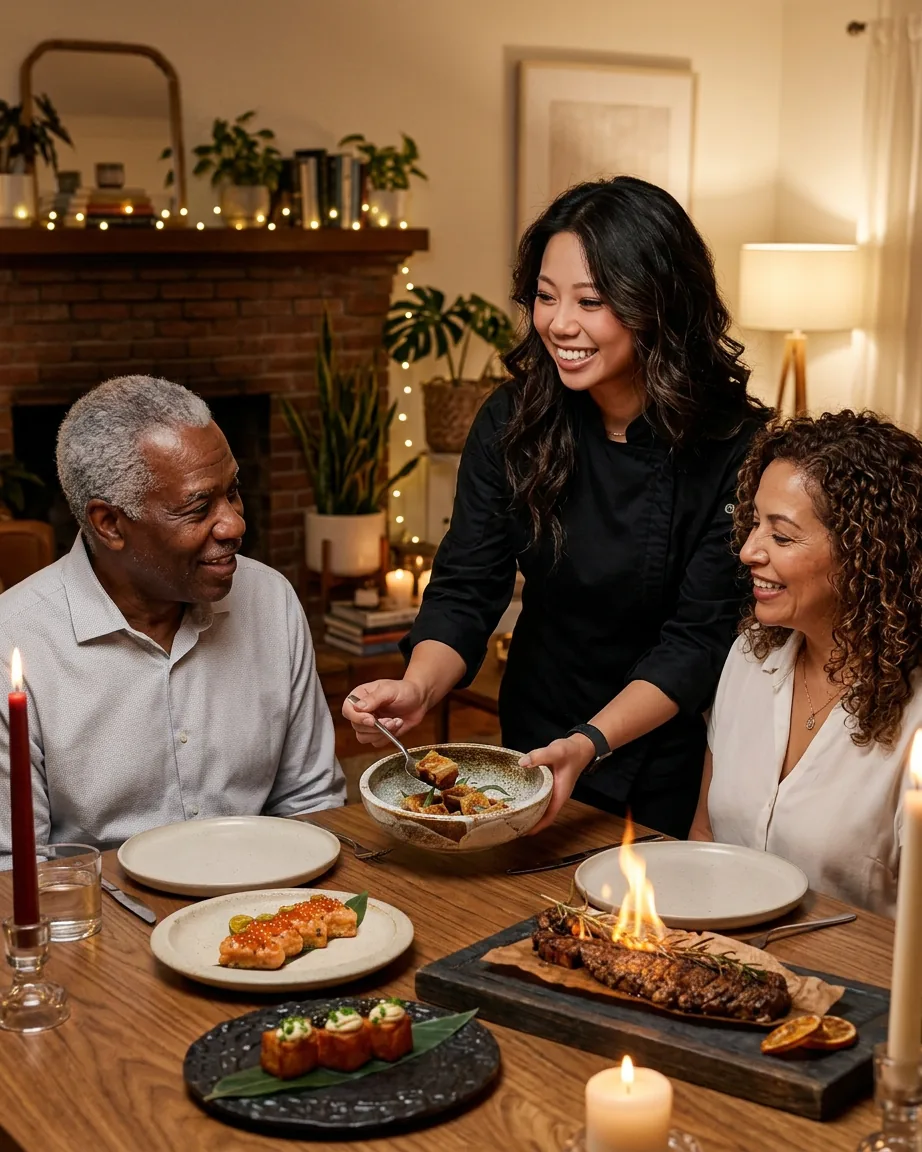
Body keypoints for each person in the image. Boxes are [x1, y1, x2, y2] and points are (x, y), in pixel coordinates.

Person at [345, 176, 767, 838]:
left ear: (657, 303)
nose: (559, 324)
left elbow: (697, 640)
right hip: (534, 737)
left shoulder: (734, 446)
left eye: (590, 301)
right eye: (545, 297)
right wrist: (418, 689)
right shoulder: (513, 422)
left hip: (661, 748)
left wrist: (592, 741)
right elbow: (465, 587)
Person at [0, 376, 344, 864]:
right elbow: (14, 871)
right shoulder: (13, 643)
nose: (234, 525)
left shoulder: (271, 599)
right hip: (101, 927)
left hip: (268, 907)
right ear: (110, 524)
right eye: (199, 508)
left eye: (234, 492)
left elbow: (312, 806)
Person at [689, 410, 922, 916]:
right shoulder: (751, 655)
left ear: (863, 555)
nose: (749, 550)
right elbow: (705, 832)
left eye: (782, 536)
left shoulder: (915, 718)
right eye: (754, 523)